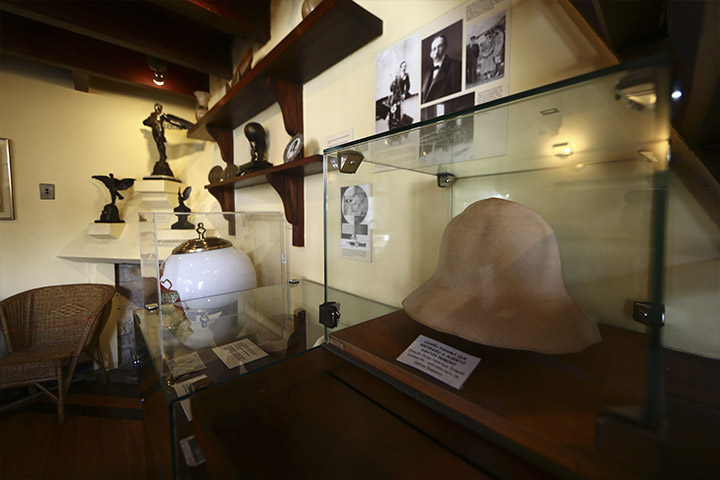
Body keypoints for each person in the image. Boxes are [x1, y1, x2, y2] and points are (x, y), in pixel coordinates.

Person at [421, 34, 461, 103]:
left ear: (445, 47)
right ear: (431, 54)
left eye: (440, 47)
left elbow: (457, 97)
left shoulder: (456, 66)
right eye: (434, 49)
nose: (436, 52)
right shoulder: (427, 74)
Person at [388, 61, 410, 130]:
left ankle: (398, 127)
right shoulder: (396, 75)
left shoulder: (406, 75)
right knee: (392, 111)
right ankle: (390, 127)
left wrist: (404, 94)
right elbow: (391, 89)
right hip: (394, 96)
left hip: (400, 97)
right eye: (403, 66)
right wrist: (393, 84)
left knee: (398, 111)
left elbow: (408, 86)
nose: (404, 68)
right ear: (400, 67)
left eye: (405, 66)